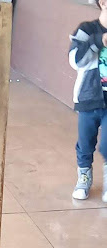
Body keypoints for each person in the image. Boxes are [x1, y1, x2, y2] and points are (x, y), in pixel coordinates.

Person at [69, 0, 107, 202]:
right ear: (103, 3)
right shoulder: (86, 29)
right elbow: (75, 60)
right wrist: (98, 41)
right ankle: (84, 177)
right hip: (89, 98)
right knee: (85, 143)